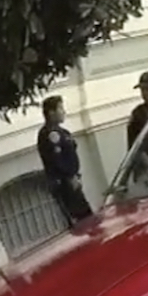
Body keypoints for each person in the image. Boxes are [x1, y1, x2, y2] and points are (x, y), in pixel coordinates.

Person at [36, 96, 92, 224]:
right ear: (51, 113)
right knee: (82, 219)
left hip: (72, 180)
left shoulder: (63, 132)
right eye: (60, 108)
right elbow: (57, 160)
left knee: (86, 215)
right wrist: (70, 176)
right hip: (65, 183)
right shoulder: (49, 134)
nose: (64, 112)